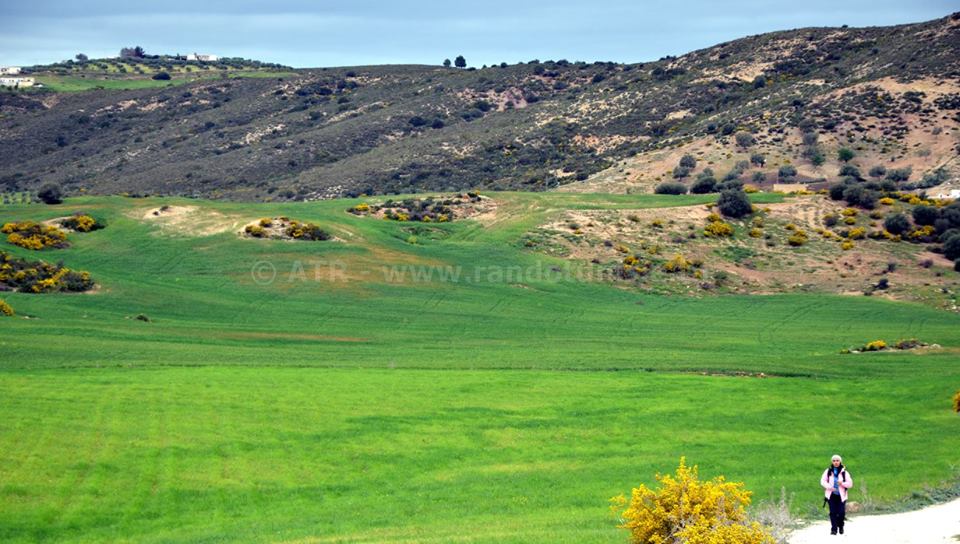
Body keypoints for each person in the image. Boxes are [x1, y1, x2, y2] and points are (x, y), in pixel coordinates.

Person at [820, 454, 853, 535]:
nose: (836, 462)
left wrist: (842, 483)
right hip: (831, 495)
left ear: (840, 461)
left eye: (837, 460)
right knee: (833, 512)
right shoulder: (828, 471)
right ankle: (834, 529)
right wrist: (829, 487)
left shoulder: (844, 472)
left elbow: (850, 484)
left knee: (841, 513)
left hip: (842, 496)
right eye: (834, 461)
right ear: (832, 462)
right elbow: (822, 481)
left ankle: (841, 525)